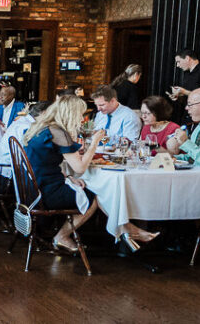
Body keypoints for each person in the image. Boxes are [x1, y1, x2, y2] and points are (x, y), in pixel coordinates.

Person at [23, 96, 157, 252]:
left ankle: (127, 229)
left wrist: (68, 177)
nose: (81, 118)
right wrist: (94, 142)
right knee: (95, 195)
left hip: (32, 187)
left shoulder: (42, 127)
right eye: (80, 114)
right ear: (70, 114)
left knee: (93, 188)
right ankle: (62, 235)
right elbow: (79, 167)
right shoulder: (58, 132)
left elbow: (44, 161)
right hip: (44, 192)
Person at [0, 100, 51, 178]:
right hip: (8, 176)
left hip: (2, 169)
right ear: (44, 113)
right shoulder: (28, 127)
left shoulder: (23, 121)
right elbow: (33, 157)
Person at [169, 48, 200, 122]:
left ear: (187, 58)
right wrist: (178, 95)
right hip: (188, 115)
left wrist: (184, 91)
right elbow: (189, 95)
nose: (177, 65)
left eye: (178, 61)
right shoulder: (187, 74)